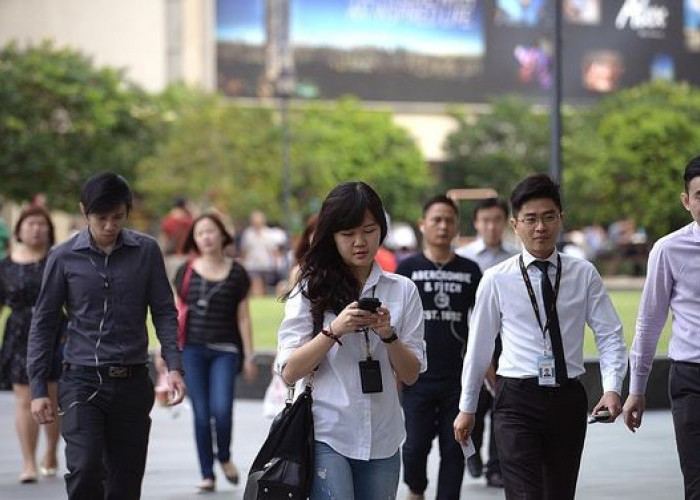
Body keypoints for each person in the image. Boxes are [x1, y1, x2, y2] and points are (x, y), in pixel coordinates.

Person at [453, 174, 628, 499]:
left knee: (559, 493)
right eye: (530, 219)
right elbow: (479, 347)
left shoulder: (583, 274)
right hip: (517, 399)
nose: (540, 227)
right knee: (523, 494)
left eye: (549, 217)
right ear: (515, 224)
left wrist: (613, 388)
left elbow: (610, 335)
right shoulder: (496, 279)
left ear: (561, 219)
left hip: (568, 398)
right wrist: (468, 407)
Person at [27, 172, 186, 499]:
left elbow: (165, 312)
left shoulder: (147, 251)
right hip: (82, 379)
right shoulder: (63, 256)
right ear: (84, 211)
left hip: (131, 382)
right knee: (85, 468)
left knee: (124, 483)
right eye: (102, 218)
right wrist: (39, 387)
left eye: (118, 217)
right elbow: (43, 323)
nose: (110, 225)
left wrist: (173, 366)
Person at [277, 181, 426, 500]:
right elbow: (289, 371)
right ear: (332, 236)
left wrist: (388, 335)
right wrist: (334, 330)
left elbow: (411, 374)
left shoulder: (402, 290)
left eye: (369, 230)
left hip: (384, 438)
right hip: (326, 432)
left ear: (381, 231)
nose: (360, 242)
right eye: (347, 234)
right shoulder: (310, 289)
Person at [623, 156, 700, 499]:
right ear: (686, 201)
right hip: (690, 379)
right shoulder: (668, 250)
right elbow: (649, 322)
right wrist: (637, 388)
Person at [395, 195, 481, 500]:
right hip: (416, 374)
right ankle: (415, 489)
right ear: (422, 225)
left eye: (449, 220)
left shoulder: (471, 271)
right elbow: (394, 322)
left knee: (455, 445)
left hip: (458, 377)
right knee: (415, 444)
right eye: (436, 220)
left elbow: (485, 325)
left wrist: (487, 364)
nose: (443, 226)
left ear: (457, 225)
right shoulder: (406, 269)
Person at [173, 213, 258, 492]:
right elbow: (174, 315)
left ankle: (224, 456)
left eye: (211, 231)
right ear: (194, 239)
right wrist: (170, 356)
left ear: (223, 235)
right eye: (200, 233)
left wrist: (249, 356)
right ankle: (207, 473)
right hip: (192, 351)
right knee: (201, 413)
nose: (206, 237)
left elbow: (243, 317)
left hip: (225, 351)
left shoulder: (238, 273)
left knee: (221, 410)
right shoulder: (185, 271)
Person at [456, 197, 518, 487]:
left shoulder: (517, 256)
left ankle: (497, 466)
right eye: (486, 220)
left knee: (502, 404)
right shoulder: (464, 259)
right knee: (476, 404)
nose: (491, 226)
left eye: (497, 219)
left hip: (508, 340)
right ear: (477, 223)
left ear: (506, 222)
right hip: (472, 340)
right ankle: (472, 453)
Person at [0, 206, 62, 483]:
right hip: (19, 334)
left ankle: (50, 450)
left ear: (49, 230)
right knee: (25, 400)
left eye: (41, 224)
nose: (36, 229)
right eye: (30, 224)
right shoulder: (6, 266)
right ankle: (28, 462)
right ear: (19, 230)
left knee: (51, 395)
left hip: (55, 333)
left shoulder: (59, 260)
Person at [240, 211, 278, 297]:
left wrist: (275, 264)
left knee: (265, 287)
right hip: (252, 265)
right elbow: (244, 251)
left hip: (266, 264)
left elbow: (274, 251)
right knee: (256, 285)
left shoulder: (269, 234)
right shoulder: (248, 234)